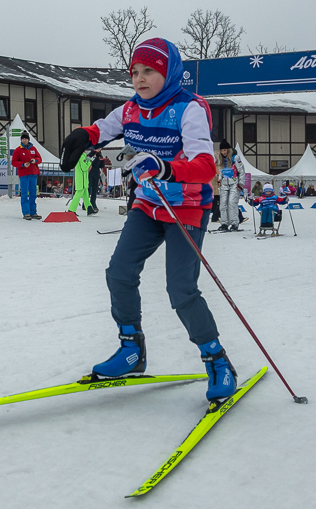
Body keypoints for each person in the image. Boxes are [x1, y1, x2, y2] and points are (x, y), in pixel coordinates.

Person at [59, 37, 235, 403]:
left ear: (169, 73)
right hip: (147, 204)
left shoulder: (189, 109)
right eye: (135, 72)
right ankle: (131, 349)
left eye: (149, 71)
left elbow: (205, 166)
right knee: (119, 273)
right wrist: (83, 135)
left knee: (181, 289)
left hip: (186, 206)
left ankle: (216, 358)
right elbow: (101, 128)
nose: (139, 79)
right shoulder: (131, 109)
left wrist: (164, 166)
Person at [10, 131, 42, 220]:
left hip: (33, 174)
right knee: (24, 194)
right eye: (23, 139)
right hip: (24, 174)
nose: (24, 140)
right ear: (21, 140)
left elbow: (39, 158)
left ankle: (33, 212)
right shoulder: (18, 150)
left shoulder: (33, 149)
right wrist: (23, 164)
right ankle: (26, 213)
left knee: (33, 194)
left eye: (26, 139)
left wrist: (35, 161)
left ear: (28, 139)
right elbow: (14, 162)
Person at [216, 140, 244, 232]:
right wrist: (219, 180)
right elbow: (220, 170)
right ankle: (224, 223)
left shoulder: (235, 158)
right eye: (221, 150)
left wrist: (241, 183)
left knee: (232, 203)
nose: (223, 152)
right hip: (224, 184)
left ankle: (235, 223)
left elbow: (242, 171)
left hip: (234, 184)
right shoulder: (221, 159)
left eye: (225, 150)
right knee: (223, 204)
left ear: (228, 150)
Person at [88, 148, 105, 215]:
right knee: (89, 189)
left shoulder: (99, 155)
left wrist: (102, 160)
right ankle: (86, 203)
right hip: (90, 173)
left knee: (94, 190)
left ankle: (93, 203)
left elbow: (101, 166)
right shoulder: (91, 154)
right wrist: (94, 157)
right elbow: (89, 162)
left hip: (96, 174)